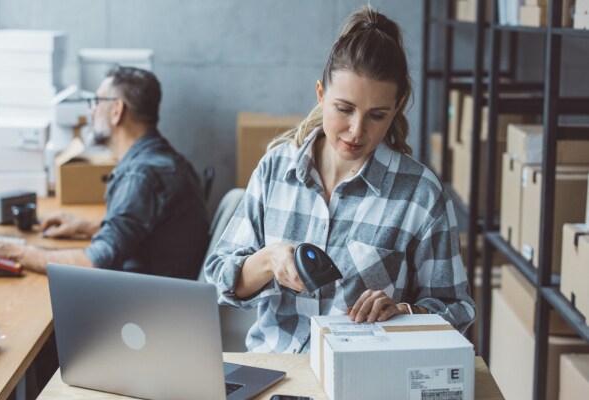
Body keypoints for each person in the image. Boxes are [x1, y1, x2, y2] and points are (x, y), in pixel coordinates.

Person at [204, 6, 476, 354]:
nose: (356, 131)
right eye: (344, 109)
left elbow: (457, 310)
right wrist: (269, 259)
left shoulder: (419, 194)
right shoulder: (276, 169)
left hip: (361, 379)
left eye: (377, 115)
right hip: (276, 373)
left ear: (399, 105)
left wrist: (405, 313)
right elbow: (220, 280)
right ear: (321, 94)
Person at [0, 66, 209, 280]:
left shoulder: (141, 176)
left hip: (144, 308)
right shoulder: (166, 160)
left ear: (117, 110)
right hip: (165, 292)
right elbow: (150, 233)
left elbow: (94, 264)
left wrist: (18, 251)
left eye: (97, 102)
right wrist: (87, 227)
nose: (92, 112)